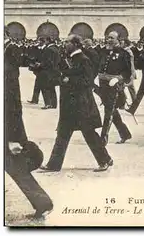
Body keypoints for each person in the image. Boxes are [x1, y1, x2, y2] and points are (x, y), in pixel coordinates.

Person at [40, 35, 113, 172]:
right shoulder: (69, 59)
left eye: (67, 42)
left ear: (75, 44)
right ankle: (54, 164)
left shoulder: (83, 60)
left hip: (81, 105)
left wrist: (69, 81)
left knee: (89, 134)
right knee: (63, 134)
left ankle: (105, 160)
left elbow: (87, 81)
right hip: (70, 105)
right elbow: (63, 75)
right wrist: (62, 79)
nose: (64, 44)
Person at [5, 28, 53, 218]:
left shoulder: (7, 65)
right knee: (12, 165)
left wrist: (13, 136)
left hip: (5, 127)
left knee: (13, 165)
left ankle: (42, 202)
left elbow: (12, 104)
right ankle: (42, 202)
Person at [97, 31, 133, 144]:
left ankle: (103, 137)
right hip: (103, 84)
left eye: (112, 38)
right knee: (111, 109)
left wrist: (118, 79)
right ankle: (125, 133)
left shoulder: (123, 53)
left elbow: (127, 72)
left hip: (115, 85)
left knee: (109, 110)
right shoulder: (104, 52)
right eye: (108, 38)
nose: (109, 40)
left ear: (118, 40)